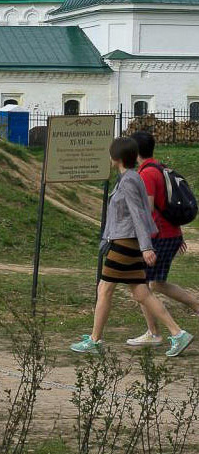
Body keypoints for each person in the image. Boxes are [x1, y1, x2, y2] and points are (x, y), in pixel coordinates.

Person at [70, 136, 193, 357]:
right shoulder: (134, 177)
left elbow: (138, 213)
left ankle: (95, 340)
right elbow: (144, 212)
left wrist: (147, 247)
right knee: (141, 292)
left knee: (105, 289)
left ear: (115, 158)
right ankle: (177, 333)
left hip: (125, 243)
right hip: (127, 241)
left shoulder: (128, 181)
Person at [126, 131, 199, 347]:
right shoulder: (160, 167)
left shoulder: (147, 174)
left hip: (157, 236)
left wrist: (143, 243)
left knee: (141, 286)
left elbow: (147, 211)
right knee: (156, 283)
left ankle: (155, 333)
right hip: (170, 233)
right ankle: (196, 306)